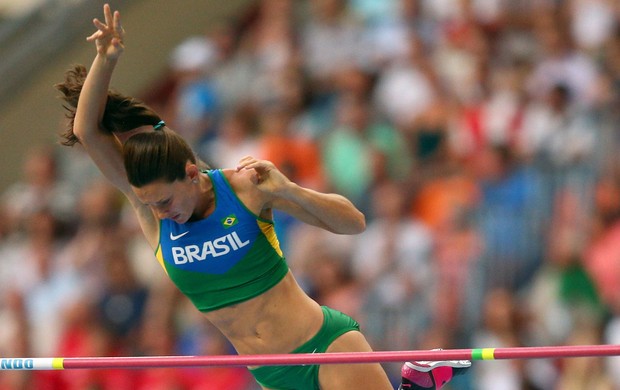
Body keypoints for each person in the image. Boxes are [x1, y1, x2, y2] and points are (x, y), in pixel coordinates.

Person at [56, 4, 470, 389]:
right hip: (271, 372)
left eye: (165, 201)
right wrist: (105, 61)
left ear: (190, 173)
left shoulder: (242, 188)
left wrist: (290, 190)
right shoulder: (153, 212)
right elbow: (86, 131)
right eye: (150, 204)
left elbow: (354, 223)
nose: (161, 212)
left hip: (324, 346)